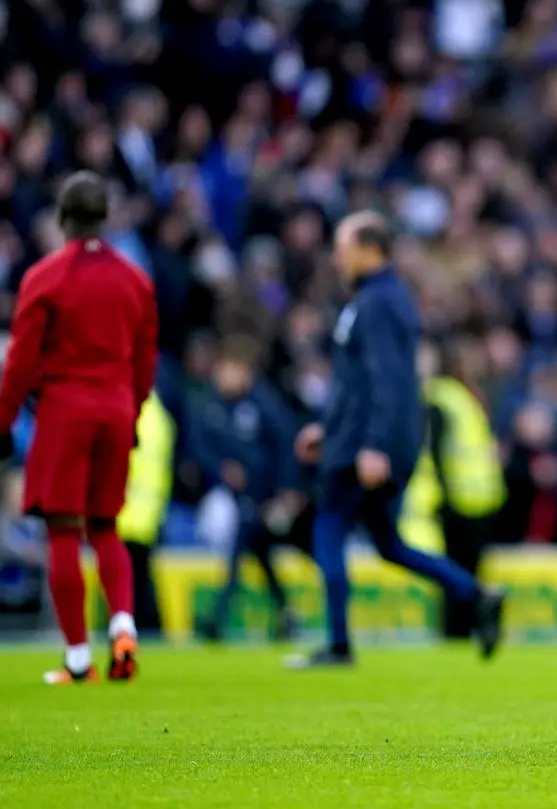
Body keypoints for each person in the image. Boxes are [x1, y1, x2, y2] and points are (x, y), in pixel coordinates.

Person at [292, 211, 505, 667]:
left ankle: (338, 644)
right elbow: (359, 383)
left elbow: (387, 381)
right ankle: (477, 592)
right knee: (388, 543)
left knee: (328, 526)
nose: (336, 256)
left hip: (365, 446)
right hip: (361, 439)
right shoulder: (377, 299)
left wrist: (374, 446)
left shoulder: (378, 303)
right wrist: (324, 429)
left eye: (343, 246)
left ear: (372, 249)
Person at [0, 170, 158, 685]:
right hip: (115, 409)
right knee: (106, 526)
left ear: (63, 219)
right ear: (106, 218)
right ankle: (124, 627)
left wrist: (3, 422)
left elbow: (20, 360)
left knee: (64, 531)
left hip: (65, 411)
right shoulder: (135, 279)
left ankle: (79, 659)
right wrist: (132, 415)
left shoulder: (45, 277)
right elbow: (145, 362)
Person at [188, 335, 303, 642]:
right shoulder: (211, 406)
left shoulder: (263, 404)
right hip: (234, 498)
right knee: (255, 552)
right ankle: (285, 614)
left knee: (245, 550)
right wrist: (221, 469)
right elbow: (200, 448)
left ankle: (219, 617)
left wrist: (286, 491)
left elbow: (283, 447)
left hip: (263, 496)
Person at [401, 337, 507, 639]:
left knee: (467, 570)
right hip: (458, 501)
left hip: (476, 500)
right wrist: (443, 495)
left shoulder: (462, 397)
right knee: (457, 572)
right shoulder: (443, 398)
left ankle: (466, 628)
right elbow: (435, 451)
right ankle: (456, 631)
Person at [116, 389, 176, 637]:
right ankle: (152, 631)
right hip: (149, 509)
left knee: (131, 581)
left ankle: (145, 632)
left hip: (127, 509)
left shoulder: (130, 409)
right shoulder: (158, 415)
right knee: (140, 577)